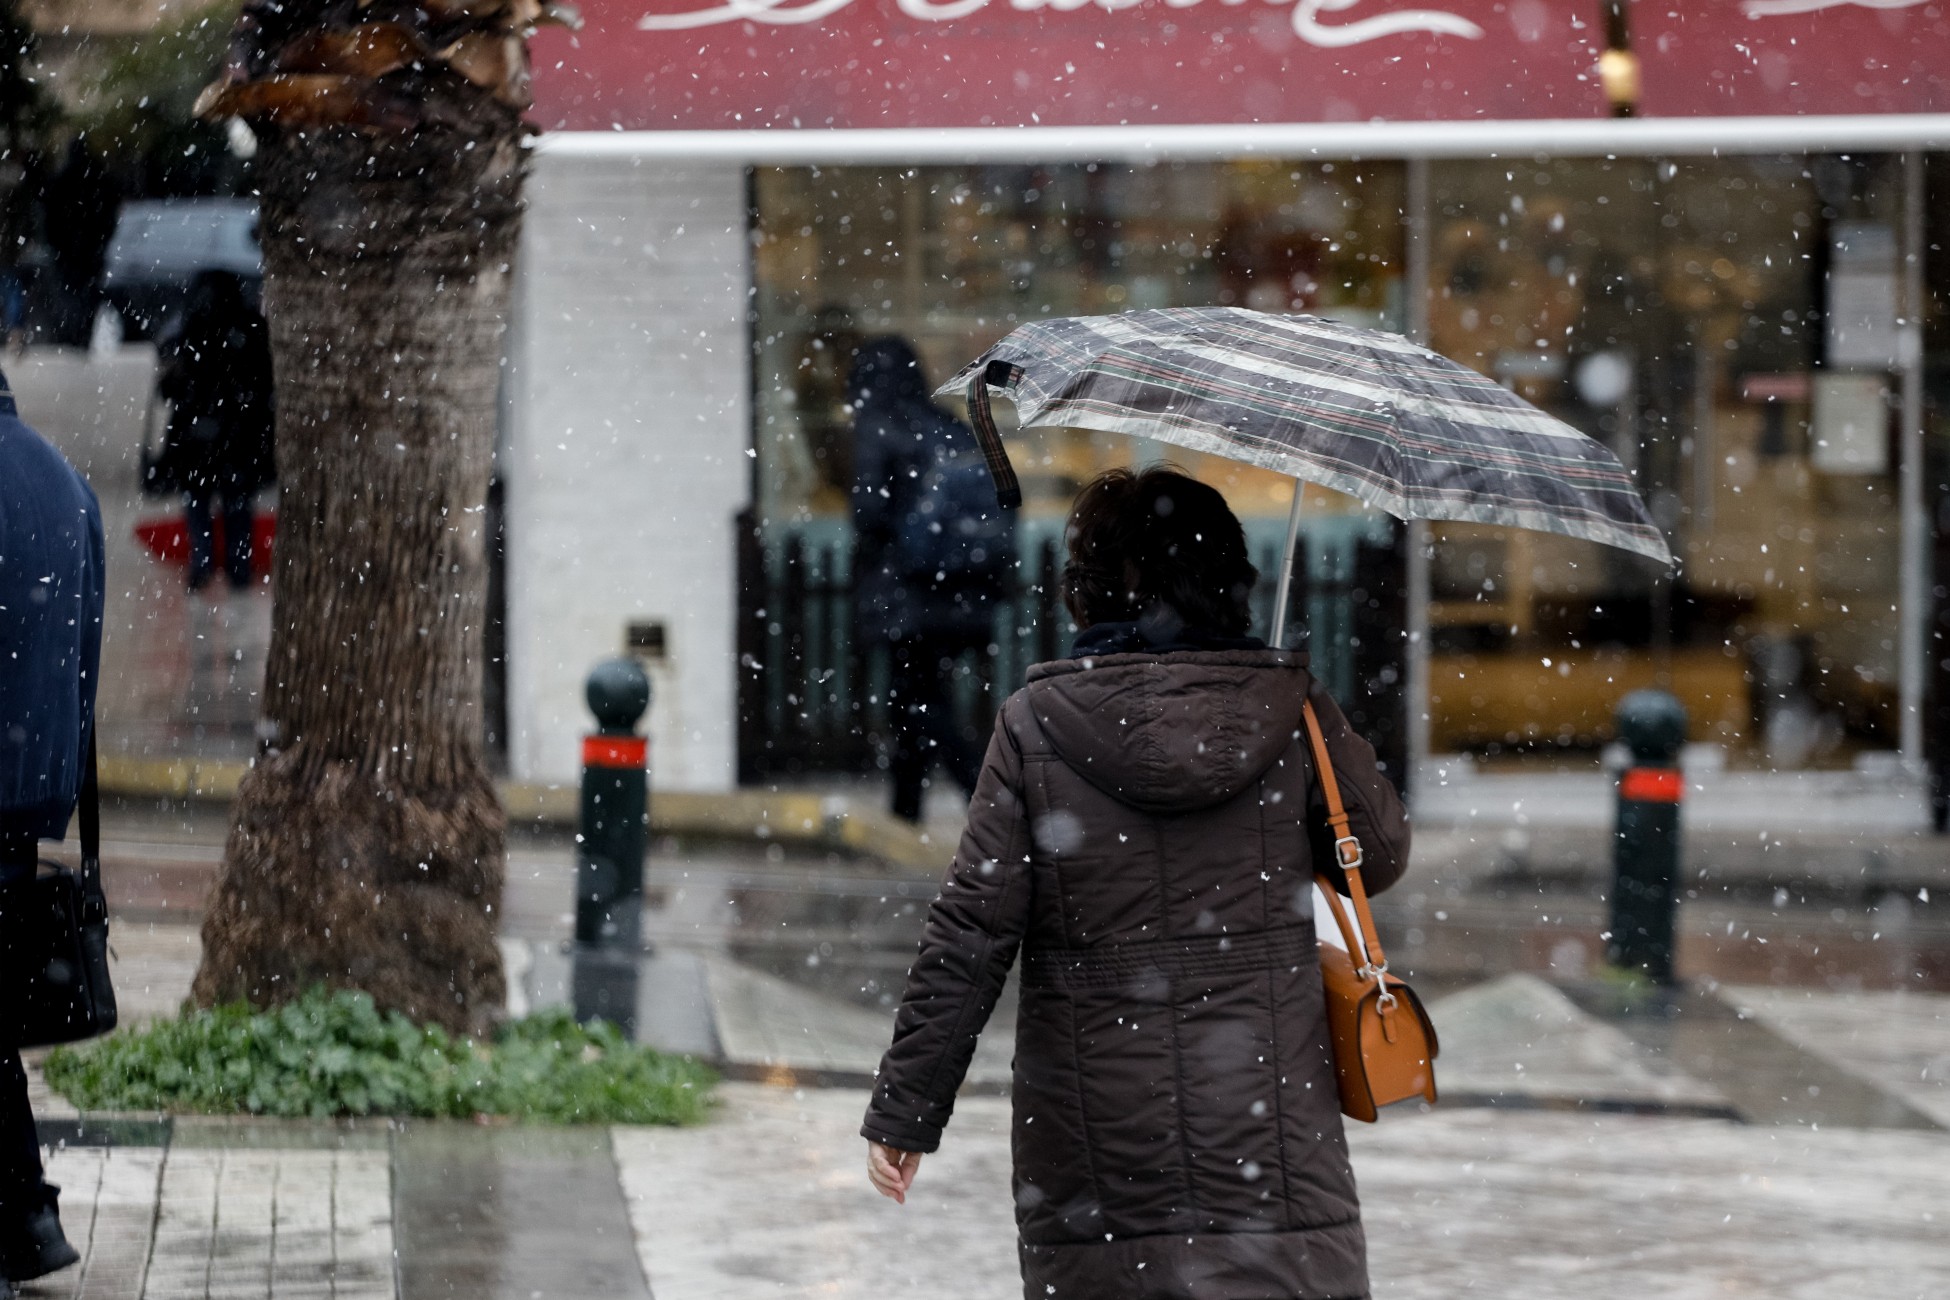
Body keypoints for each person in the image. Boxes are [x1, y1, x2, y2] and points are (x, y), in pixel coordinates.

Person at [861, 466, 1410, 1300]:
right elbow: (1378, 853)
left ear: (1095, 587)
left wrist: (908, 1110)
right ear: (1227, 578)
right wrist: (1302, 714)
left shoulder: (1035, 727)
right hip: (1272, 1147)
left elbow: (971, 934)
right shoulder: (1291, 711)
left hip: (1096, 1153)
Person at [0, 371, 102, 1298]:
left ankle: (25, 1224)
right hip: (28, 792)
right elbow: (84, 654)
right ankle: (29, 1221)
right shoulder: (63, 480)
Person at [849, 336, 1014, 823]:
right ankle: (906, 814)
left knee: (921, 703)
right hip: (961, 592)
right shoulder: (947, 426)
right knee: (915, 701)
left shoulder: (877, 426)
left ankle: (989, 798)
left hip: (910, 595)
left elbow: (868, 513)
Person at [156, 270, 274, 592]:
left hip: (198, 438)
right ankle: (239, 570)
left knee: (198, 502)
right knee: (237, 503)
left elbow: (169, 388)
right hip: (238, 438)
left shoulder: (190, 328)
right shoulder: (250, 329)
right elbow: (264, 386)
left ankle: (202, 567)